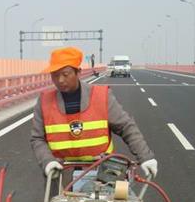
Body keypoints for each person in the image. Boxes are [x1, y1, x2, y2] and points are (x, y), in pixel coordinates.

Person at [30, 46, 157, 180]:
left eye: (65, 74)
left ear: (78, 73)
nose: (60, 80)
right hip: (60, 171)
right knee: (54, 201)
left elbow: (126, 126)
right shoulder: (44, 101)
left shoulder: (101, 96)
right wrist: (48, 161)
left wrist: (145, 157)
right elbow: (37, 138)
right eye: (55, 75)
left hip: (100, 171)